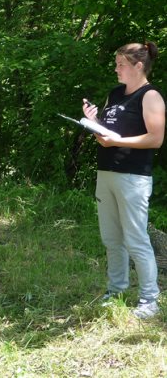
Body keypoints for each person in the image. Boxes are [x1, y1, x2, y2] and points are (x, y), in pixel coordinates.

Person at [82, 41, 164, 319]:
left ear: (138, 66)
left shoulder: (150, 96)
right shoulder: (114, 94)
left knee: (136, 239)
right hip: (106, 173)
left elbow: (156, 138)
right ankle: (115, 290)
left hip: (133, 177)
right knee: (111, 237)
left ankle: (150, 300)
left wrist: (117, 140)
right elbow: (107, 135)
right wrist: (92, 121)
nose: (116, 69)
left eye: (121, 64)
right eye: (116, 63)